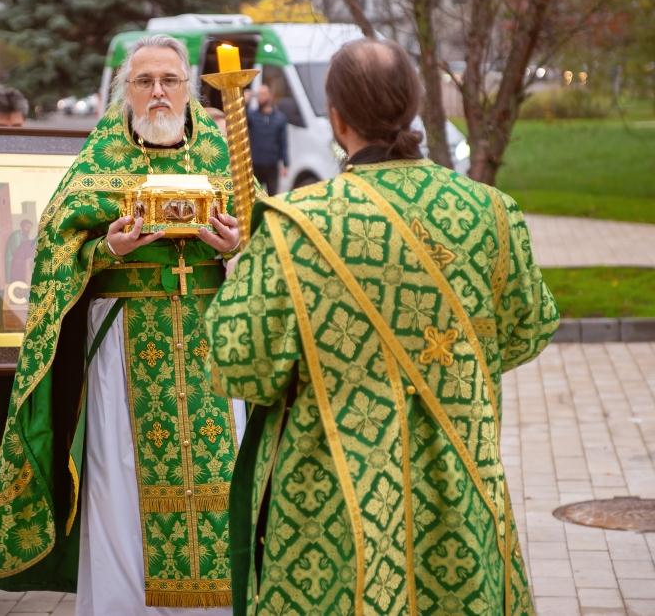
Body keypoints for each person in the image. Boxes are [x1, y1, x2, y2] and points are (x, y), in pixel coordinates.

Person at [206, 38, 560, 615]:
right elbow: (529, 329)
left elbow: (240, 365)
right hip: (459, 480)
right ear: (414, 108)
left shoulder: (297, 226)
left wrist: (243, 275)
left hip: (332, 500)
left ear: (337, 118)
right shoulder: (491, 211)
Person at [0, 34, 245, 613]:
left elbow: (264, 245)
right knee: (120, 482)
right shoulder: (100, 158)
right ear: (125, 89)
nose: (156, 93)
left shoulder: (225, 156)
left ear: (188, 89)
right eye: (143, 81)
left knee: (221, 480)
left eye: (169, 81)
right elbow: (54, 250)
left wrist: (236, 249)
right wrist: (107, 248)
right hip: (124, 345)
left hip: (208, 345)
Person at [245, 84, 288, 195]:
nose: (261, 97)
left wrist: (285, 164)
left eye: (263, 94)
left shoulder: (280, 118)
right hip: (255, 165)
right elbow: (239, 120)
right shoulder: (252, 116)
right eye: (259, 94)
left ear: (270, 96)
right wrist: (245, 102)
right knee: (255, 195)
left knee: (273, 196)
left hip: (272, 165)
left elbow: (283, 142)